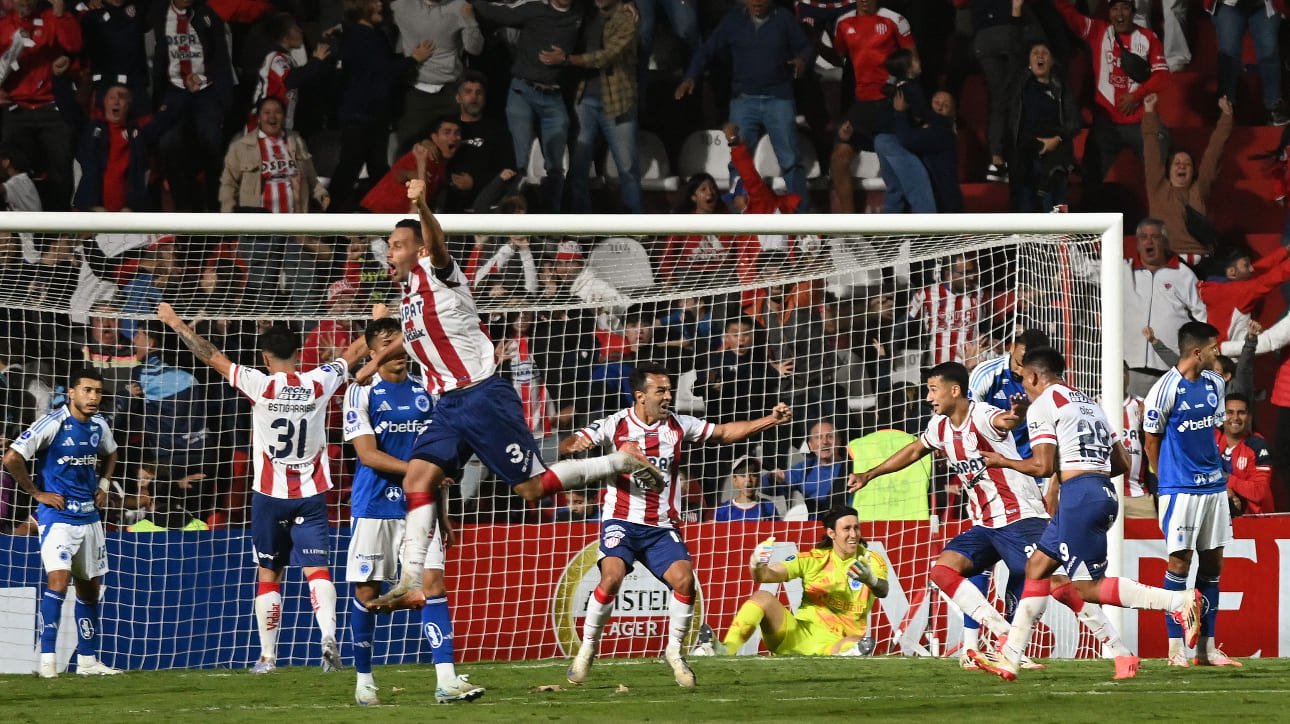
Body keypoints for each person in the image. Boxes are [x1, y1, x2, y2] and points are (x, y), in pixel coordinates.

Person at [357, 180, 667, 635]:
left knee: (532, 489)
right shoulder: (407, 298)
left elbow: (438, 244)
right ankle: (409, 580)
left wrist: (422, 204)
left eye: (399, 245)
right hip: (448, 405)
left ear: (418, 248)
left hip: (482, 395)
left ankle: (618, 460)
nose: (390, 253)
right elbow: (411, 335)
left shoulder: (440, 272)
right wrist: (376, 361)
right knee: (417, 477)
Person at [155, 302, 369, 675]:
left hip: (270, 497)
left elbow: (212, 356)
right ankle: (328, 640)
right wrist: (377, 320)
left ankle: (268, 658)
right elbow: (353, 353)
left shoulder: (260, 383)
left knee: (270, 573)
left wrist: (175, 323)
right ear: (298, 354)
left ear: (265, 358)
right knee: (317, 570)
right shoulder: (319, 381)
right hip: (312, 493)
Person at [968, 346, 1202, 682]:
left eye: (1025, 380)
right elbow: (1122, 463)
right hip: (1098, 492)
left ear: (1034, 375)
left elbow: (1042, 466)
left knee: (1088, 588)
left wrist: (1000, 460)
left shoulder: (1043, 405)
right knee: (1038, 567)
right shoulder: (1091, 404)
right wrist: (1088, 475)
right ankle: (1010, 658)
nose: (1025, 388)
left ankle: (1177, 601)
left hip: (1080, 497)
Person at [562, 361, 793, 687]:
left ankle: (674, 652)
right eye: (662, 391)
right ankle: (587, 649)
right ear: (641, 396)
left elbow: (725, 433)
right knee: (611, 577)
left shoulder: (679, 425)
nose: (669, 396)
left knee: (685, 582)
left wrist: (770, 420)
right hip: (621, 521)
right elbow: (570, 442)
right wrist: (575, 443)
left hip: (660, 527)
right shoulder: (615, 425)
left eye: (669, 390)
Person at [848, 361, 1069, 669]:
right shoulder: (939, 428)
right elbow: (913, 451)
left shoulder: (982, 414)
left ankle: (1112, 643)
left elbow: (1005, 421)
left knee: (1054, 582)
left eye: (933, 390)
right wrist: (870, 474)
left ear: (955, 390)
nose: (928, 398)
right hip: (985, 523)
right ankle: (1003, 637)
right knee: (942, 571)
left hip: (1021, 516)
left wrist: (1016, 415)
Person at [343, 318, 471, 705]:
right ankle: (364, 682)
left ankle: (446, 680)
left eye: (400, 342)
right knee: (367, 593)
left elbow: (436, 458)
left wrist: (443, 512)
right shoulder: (360, 393)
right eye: (387, 343)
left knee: (433, 587)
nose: (397, 350)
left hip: (421, 507)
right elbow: (367, 454)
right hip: (375, 506)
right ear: (373, 351)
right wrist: (420, 473)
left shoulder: (427, 392)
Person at [2, 368, 121, 678]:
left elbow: (112, 452)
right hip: (58, 517)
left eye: (98, 391)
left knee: (89, 589)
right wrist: (37, 493)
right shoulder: (53, 422)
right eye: (87, 390)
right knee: (58, 580)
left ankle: (87, 661)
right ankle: (47, 660)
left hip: (89, 517)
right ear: (71, 392)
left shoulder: (99, 424)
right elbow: (12, 457)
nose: (93, 396)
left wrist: (105, 484)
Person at [1141, 321, 1239, 667]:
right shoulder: (1163, 389)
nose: (1218, 353)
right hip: (1180, 490)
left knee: (1213, 565)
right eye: (1214, 348)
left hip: (1213, 488)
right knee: (1179, 564)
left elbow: (1210, 433)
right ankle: (1174, 649)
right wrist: (1161, 476)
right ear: (1197, 352)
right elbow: (1151, 439)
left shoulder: (1215, 383)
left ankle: (1207, 649)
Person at [676, 0, 814, 210]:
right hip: (744, 100)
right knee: (738, 160)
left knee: (790, 160)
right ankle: (739, 220)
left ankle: (803, 223)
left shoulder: (784, 19)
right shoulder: (733, 20)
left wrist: (802, 60)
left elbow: (806, 48)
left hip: (778, 99)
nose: (757, 2)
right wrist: (690, 77)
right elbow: (707, 50)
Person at [709, 506, 887, 656]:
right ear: (831, 533)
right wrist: (756, 565)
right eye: (847, 529)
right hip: (796, 635)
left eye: (856, 528)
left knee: (858, 643)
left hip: (839, 642)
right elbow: (765, 576)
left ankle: (845, 659)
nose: (853, 534)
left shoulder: (870, 560)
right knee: (762, 597)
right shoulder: (813, 559)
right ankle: (726, 650)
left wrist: (870, 579)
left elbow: (883, 590)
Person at [473, 0, 582, 212]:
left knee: (556, 167)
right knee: (518, 163)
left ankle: (551, 224)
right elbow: (501, 14)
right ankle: (512, 222)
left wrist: (628, 4)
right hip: (523, 90)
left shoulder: (579, 13)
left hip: (553, 95)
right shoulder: (535, 9)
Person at [328, 0, 432, 213]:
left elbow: (381, 64)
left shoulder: (369, 33)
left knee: (375, 169)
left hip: (372, 115)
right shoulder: (360, 35)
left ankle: (377, 215)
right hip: (360, 115)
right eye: (374, 1)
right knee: (351, 167)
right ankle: (329, 219)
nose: (380, 5)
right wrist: (413, 59)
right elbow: (383, 72)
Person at [1051, 0, 1169, 187]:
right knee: (1090, 179)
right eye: (1114, 8)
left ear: (1133, 11)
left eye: (1125, 8)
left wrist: (1135, 96)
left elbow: (1162, 75)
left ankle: (1165, 213)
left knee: (1162, 173)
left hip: (1139, 121)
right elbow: (1068, 13)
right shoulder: (1098, 30)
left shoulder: (1148, 37)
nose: (1120, 14)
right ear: (1109, 12)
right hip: (1106, 124)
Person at [540, 0, 642, 214]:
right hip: (584, 99)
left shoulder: (625, 17)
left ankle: (634, 230)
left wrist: (568, 59)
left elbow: (607, 56)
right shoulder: (583, 12)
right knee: (578, 169)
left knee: (627, 169)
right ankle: (581, 231)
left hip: (617, 102)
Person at [827, 0, 914, 214]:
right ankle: (850, 228)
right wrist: (815, 44)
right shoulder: (843, 22)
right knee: (838, 159)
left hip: (889, 102)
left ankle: (905, 224)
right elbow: (839, 58)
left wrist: (900, 91)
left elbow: (914, 63)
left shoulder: (896, 19)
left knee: (895, 164)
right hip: (861, 107)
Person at [149, 0, 235, 211]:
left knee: (212, 144)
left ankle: (216, 210)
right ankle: (185, 211)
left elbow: (221, 57)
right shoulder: (158, 13)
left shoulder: (207, 13)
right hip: (174, 91)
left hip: (206, 91)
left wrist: (223, 102)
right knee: (168, 145)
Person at [0, 0, 82, 211]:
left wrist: (60, 13)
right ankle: (19, 225)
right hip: (15, 106)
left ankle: (59, 227)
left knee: (61, 167)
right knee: (12, 166)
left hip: (50, 105)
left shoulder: (51, 18)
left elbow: (74, 45)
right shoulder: (4, 25)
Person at [1141, 93, 1233, 260]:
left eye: (1187, 164)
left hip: (1202, 261)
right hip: (1169, 261)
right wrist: (1149, 112)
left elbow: (1214, 153)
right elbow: (1152, 152)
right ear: (1168, 170)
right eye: (1177, 163)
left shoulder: (1199, 189)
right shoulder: (1158, 188)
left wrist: (1226, 118)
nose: (1182, 166)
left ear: (1193, 171)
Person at [1123, 219, 1207, 397]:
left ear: (1165, 242)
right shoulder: (1123, 270)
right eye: (1143, 237)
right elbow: (1082, 269)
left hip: (1170, 368)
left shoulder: (1184, 274)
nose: (1149, 242)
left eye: (1155, 237)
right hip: (1131, 369)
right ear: (1137, 244)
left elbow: (1202, 316)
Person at [1005, 22, 1081, 212]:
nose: (1040, 56)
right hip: (1026, 153)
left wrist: (1056, 140)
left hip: (1055, 152)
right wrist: (1016, 13)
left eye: (1044, 53)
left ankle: (1059, 239)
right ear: (1028, 63)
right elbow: (1014, 49)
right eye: (1035, 53)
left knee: (1056, 201)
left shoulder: (1061, 89)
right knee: (1025, 206)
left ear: (1052, 61)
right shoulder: (1020, 85)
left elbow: (1074, 122)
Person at [390, 0, 483, 154]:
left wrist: (470, 21)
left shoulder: (459, 6)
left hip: (451, 91)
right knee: (410, 151)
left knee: (453, 151)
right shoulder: (402, 5)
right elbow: (367, 14)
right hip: (416, 93)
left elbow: (475, 49)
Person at [1208, 0, 1288, 126]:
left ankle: (1274, 106)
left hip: (1264, 5)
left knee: (1269, 52)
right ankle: (1225, 106)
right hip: (1228, 4)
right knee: (1228, 54)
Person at [445, 72, 516, 213]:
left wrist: (474, 182)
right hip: (449, 203)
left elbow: (508, 169)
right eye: (468, 92)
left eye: (479, 93)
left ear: (484, 98)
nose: (474, 97)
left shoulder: (498, 130)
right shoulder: (446, 127)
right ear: (458, 97)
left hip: (488, 204)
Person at [248, 12, 332, 131]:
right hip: (263, 127)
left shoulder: (286, 58)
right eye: (295, 28)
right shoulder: (275, 58)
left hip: (278, 126)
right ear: (284, 35)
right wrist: (316, 61)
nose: (300, 31)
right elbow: (292, 80)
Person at [361, 117, 460, 214]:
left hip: (400, 220)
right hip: (375, 212)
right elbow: (398, 173)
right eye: (447, 133)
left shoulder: (443, 167)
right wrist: (410, 174)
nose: (453, 138)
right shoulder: (423, 153)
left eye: (457, 133)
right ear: (434, 137)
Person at [908, 255, 981, 366]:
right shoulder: (926, 294)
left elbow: (982, 326)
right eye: (965, 273)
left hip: (969, 366)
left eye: (973, 272)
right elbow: (906, 324)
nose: (972, 277)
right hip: (937, 368)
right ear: (948, 274)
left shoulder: (979, 295)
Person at [1218, 392, 1274, 516]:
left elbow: (1259, 492)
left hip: (1255, 520)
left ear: (1249, 417)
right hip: (1216, 515)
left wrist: (1227, 479)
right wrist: (1223, 491)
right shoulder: (1211, 440)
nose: (1235, 418)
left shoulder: (1257, 445)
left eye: (1241, 413)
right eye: (1230, 412)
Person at [781, 420, 847, 517]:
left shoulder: (851, 466)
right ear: (810, 446)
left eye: (830, 437)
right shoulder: (805, 468)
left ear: (839, 441)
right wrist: (773, 478)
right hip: (816, 526)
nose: (825, 442)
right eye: (818, 437)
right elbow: (768, 488)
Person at [714, 456, 778, 522]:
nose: (748, 479)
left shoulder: (768, 506)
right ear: (735, 480)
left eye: (753, 474)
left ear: (758, 478)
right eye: (743, 475)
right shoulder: (724, 510)